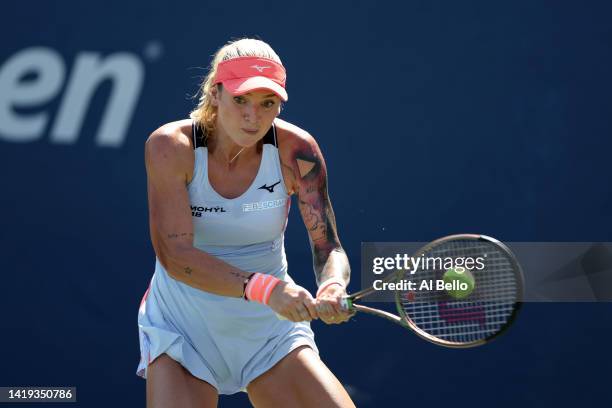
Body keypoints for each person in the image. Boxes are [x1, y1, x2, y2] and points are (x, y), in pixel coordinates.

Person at [136, 38, 356, 407]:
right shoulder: (170, 147)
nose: (253, 117)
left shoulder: (298, 151)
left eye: (267, 103)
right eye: (241, 100)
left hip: (269, 332)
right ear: (215, 93)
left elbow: (328, 247)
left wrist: (333, 283)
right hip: (184, 330)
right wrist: (267, 291)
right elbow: (176, 256)